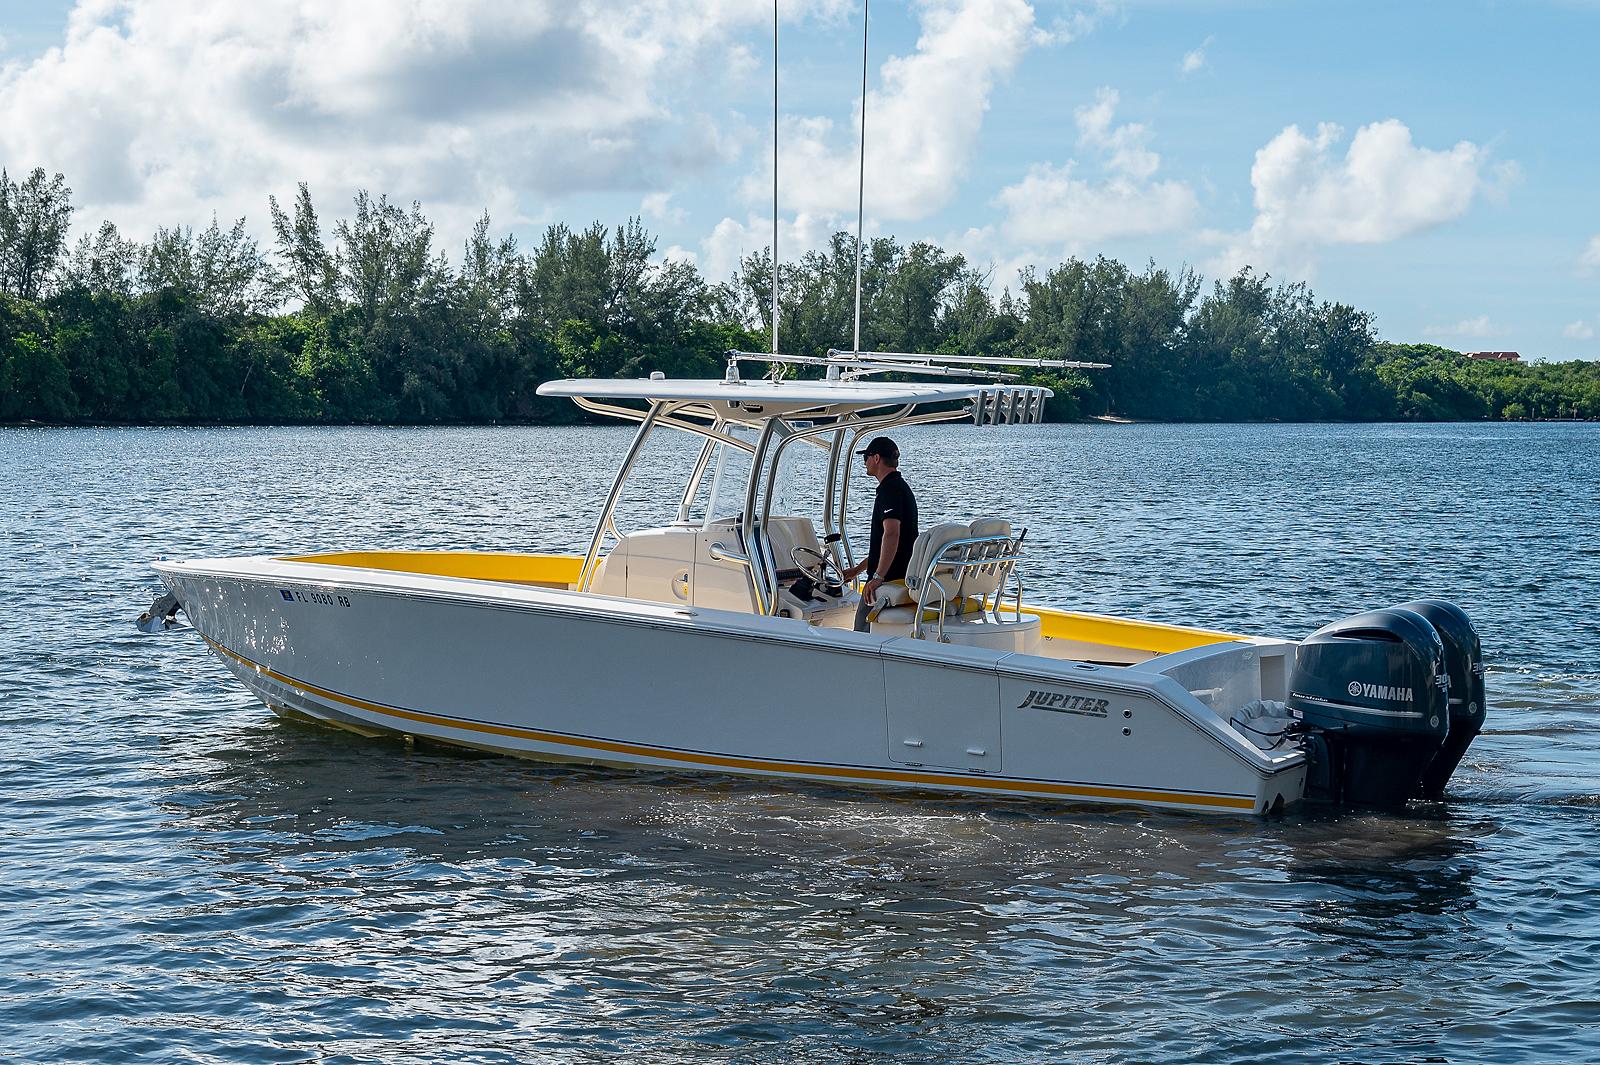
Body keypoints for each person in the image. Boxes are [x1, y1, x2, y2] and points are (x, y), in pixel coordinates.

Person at [843, 436, 918, 632]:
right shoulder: (899, 487)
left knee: (861, 631)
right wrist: (857, 571)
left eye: (866, 458)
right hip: (898, 576)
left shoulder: (890, 491)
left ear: (876, 458)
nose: (865, 463)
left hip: (887, 581)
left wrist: (878, 577)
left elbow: (891, 535)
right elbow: (886, 546)